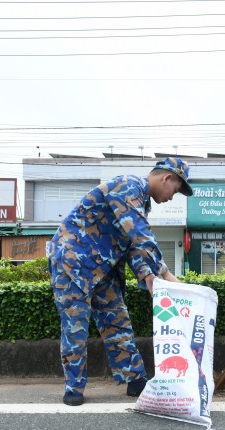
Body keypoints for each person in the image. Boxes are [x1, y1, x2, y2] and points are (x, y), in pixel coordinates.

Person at [47, 157, 193, 406]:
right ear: (166, 178)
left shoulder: (140, 203)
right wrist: (166, 273)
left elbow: (134, 247)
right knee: (76, 324)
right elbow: (139, 233)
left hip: (104, 267)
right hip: (73, 261)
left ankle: (135, 380)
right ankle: (74, 388)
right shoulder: (128, 185)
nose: (172, 197)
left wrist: (149, 275)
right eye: (176, 190)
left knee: (117, 319)